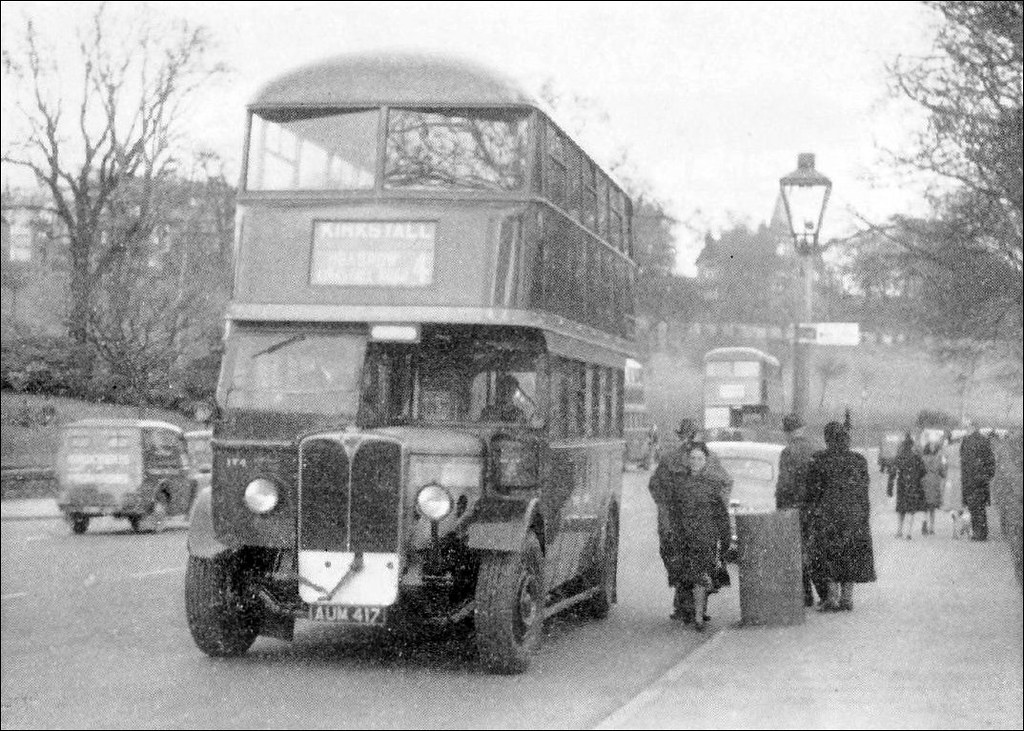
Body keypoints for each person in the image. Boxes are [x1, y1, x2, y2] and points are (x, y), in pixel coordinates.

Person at [648, 418, 730, 622]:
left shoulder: (709, 458)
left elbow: (724, 483)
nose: (687, 440)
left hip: (698, 521)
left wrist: (715, 505)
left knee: (698, 563)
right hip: (674, 519)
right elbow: (656, 487)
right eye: (685, 436)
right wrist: (668, 507)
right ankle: (686, 605)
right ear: (680, 436)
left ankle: (694, 608)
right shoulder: (670, 459)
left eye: (691, 435)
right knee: (677, 562)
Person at [806, 421, 877, 611]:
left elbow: (812, 491)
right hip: (855, 515)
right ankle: (847, 598)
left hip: (829, 515)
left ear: (827, 439)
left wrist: (812, 512)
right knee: (850, 554)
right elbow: (864, 489)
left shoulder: (819, 459)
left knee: (829, 555)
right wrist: (863, 514)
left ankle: (832, 598)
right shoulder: (859, 460)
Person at [664, 442, 732, 630]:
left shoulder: (712, 485)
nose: (695, 462)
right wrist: (671, 535)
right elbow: (672, 513)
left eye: (699, 458)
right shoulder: (679, 485)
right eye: (692, 458)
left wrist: (725, 539)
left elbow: (721, 516)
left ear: (705, 461)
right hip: (683, 538)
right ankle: (692, 612)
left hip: (705, 538)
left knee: (700, 576)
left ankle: (699, 616)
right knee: (688, 577)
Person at [775, 413, 828, 607]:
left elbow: (784, 484)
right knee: (815, 550)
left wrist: (781, 508)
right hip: (817, 507)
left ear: (787, 433)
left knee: (797, 551)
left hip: (796, 507)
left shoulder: (789, 452)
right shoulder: (818, 449)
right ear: (803, 429)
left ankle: (805, 595)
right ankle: (825, 594)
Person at [960, 423, 996, 541]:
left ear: (971, 428)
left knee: (973, 507)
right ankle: (982, 532)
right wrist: (988, 475)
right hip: (981, 479)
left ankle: (978, 533)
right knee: (981, 507)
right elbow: (991, 461)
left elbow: (963, 461)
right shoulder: (984, 441)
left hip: (970, 479)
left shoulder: (967, 441)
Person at [890, 433, 925, 539]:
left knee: (901, 509)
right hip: (912, 484)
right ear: (912, 445)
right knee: (910, 509)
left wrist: (890, 488)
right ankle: (909, 532)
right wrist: (916, 478)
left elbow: (893, 472)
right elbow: (923, 471)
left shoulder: (899, 456)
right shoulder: (916, 457)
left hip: (901, 484)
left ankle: (899, 531)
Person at [919, 437, 947, 535]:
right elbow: (942, 471)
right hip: (934, 482)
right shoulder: (938, 458)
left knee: (925, 505)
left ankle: (925, 522)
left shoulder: (923, 458)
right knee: (932, 507)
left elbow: (920, 470)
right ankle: (931, 527)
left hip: (925, 482)